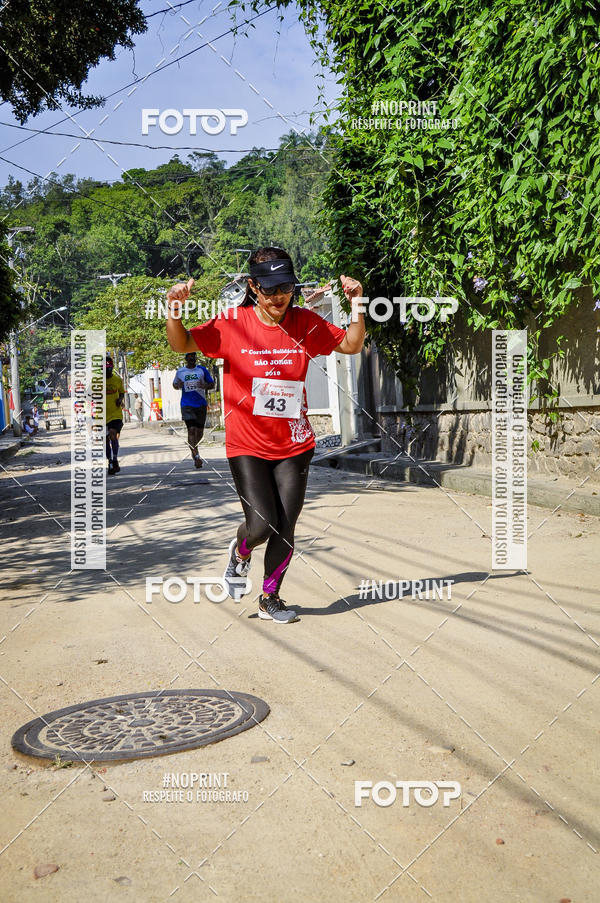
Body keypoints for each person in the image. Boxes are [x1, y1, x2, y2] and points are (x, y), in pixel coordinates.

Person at [166, 247, 365, 624]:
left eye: (286, 288)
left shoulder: (306, 323)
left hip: (295, 443)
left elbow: (351, 345)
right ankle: (241, 552)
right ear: (253, 286)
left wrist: (357, 305)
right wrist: (175, 308)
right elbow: (182, 344)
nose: (279, 297)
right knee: (261, 525)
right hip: (247, 446)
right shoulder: (231, 323)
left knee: (286, 525)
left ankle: (270, 597)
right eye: (271, 289)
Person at [173, 351, 215, 468]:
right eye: (190, 356)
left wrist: (205, 386)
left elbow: (211, 384)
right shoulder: (180, 371)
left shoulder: (202, 370)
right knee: (191, 430)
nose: (192, 358)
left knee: (200, 431)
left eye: (194, 356)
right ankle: (196, 455)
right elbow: (175, 385)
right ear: (186, 358)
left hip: (201, 403)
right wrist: (178, 385)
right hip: (187, 404)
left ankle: (194, 448)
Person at [105, 355, 125, 475]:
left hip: (115, 414)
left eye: (109, 369)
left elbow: (122, 392)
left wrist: (120, 399)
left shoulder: (118, 380)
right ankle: (110, 461)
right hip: (101, 415)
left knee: (113, 435)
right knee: (105, 440)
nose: (108, 372)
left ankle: (115, 458)